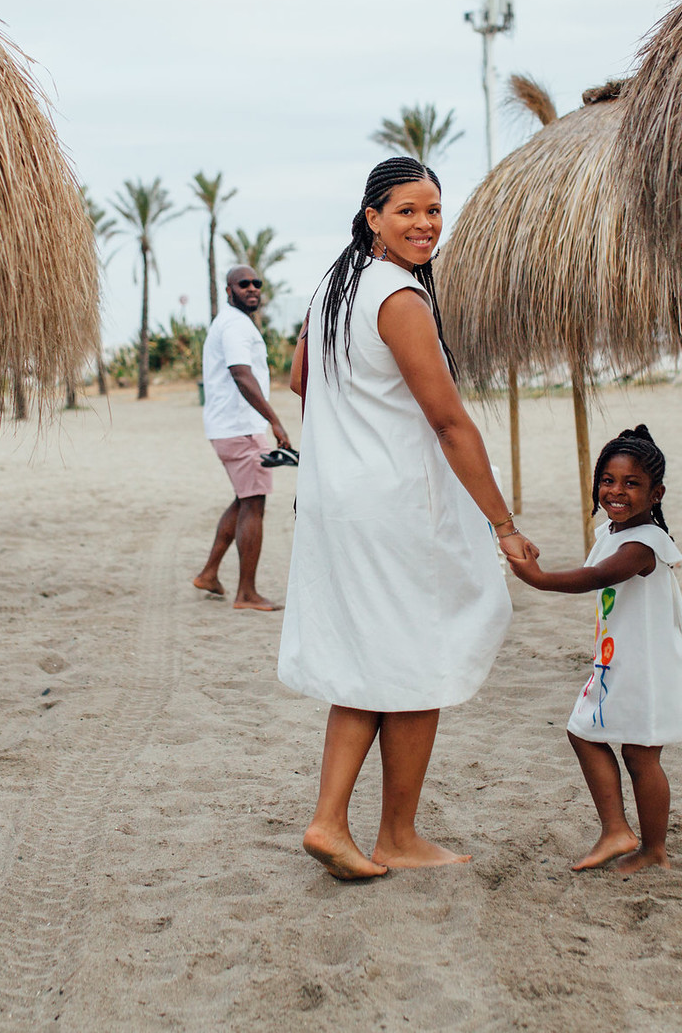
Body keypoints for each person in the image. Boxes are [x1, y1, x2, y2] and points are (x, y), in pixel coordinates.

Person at [279, 156, 537, 880]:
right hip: (392, 505)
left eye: (433, 210)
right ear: (373, 219)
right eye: (407, 212)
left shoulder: (335, 284)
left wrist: (348, 433)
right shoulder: (398, 297)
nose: (425, 224)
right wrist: (503, 524)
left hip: (339, 501)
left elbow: (302, 379)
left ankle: (332, 822)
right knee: (420, 658)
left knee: (369, 662)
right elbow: (450, 422)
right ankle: (395, 834)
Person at [508, 426, 682, 875]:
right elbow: (592, 567)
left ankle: (653, 848)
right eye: (608, 480)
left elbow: (596, 577)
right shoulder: (614, 532)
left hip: (648, 668)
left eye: (632, 484)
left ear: (656, 494)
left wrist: (539, 579)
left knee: (640, 755)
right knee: (584, 733)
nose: (616, 491)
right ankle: (617, 830)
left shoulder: (645, 543)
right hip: (619, 663)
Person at [193, 264, 292, 611]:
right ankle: (246, 593)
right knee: (254, 503)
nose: (252, 289)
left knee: (243, 498)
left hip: (230, 427)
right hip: (241, 428)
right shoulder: (235, 326)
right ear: (229, 290)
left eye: (256, 284)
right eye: (243, 284)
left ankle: (209, 574)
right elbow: (241, 374)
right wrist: (275, 422)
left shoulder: (230, 323)